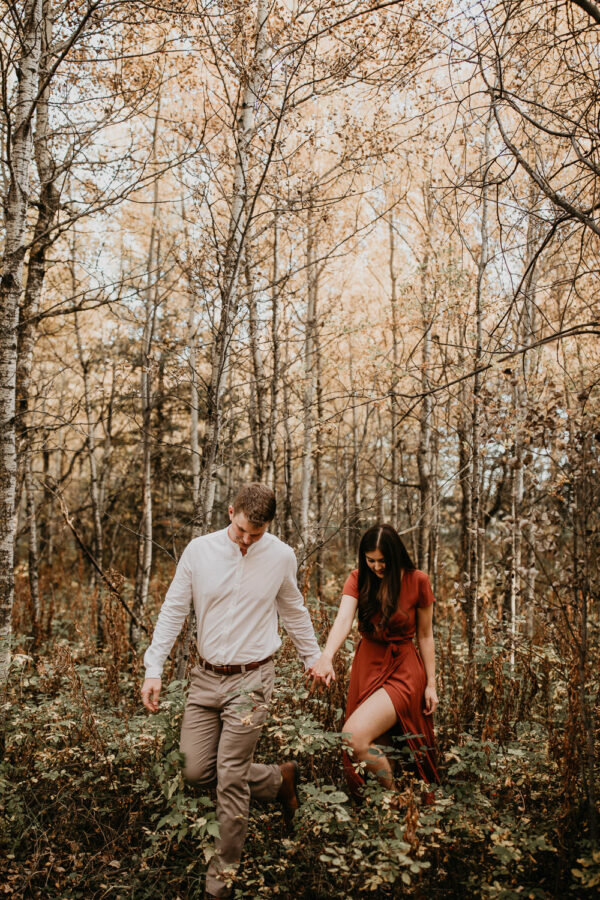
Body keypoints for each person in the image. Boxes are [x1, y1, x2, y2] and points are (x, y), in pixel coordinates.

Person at [141, 483, 321, 900]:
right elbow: (173, 608)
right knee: (194, 770)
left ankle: (219, 887)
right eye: (241, 530)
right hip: (204, 679)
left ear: (268, 527)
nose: (246, 540)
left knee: (230, 779)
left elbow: (293, 609)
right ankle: (279, 781)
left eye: (256, 534)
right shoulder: (199, 551)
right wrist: (155, 666)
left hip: (252, 680)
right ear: (230, 512)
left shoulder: (279, 556)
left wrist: (313, 657)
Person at [308, 523, 440, 795]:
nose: (377, 567)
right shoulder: (358, 577)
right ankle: (389, 806)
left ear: (396, 555)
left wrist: (431, 684)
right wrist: (326, 656)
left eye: (383, 561)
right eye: (371, 560)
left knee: (354, 737)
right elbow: (343, 619)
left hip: (404, 668)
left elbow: (426, 636)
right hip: (367, 664)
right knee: (377, 741)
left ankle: (395, 802)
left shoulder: (418, 581)